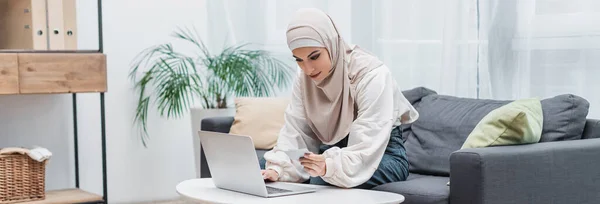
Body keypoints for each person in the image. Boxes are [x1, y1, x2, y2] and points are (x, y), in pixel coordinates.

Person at [259, 8, 419, 189]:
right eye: (299, 59)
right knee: (263, 169)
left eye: (314, 56)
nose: (308, 68)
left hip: (381, 154)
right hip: (333, 152)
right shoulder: (304, 77)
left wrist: (330, 166)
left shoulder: (371, 74)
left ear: (331, 44)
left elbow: (368, 142)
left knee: (320, 181)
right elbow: (296, 131)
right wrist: (279, 170)